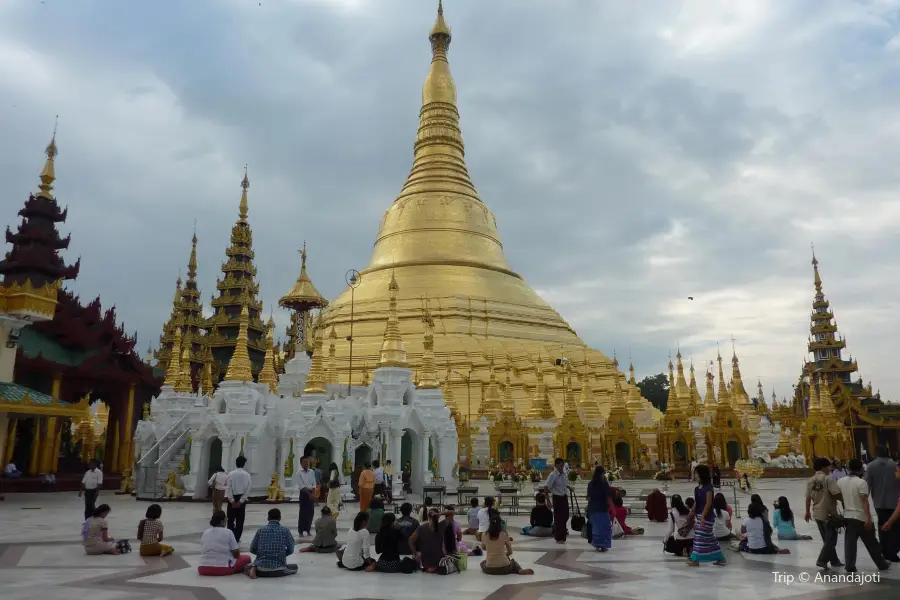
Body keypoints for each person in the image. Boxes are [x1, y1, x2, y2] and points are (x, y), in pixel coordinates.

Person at [837, 458, 891, 573]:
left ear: (848, 468)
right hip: (861, 517)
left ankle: (850, 565)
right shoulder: (861, 483)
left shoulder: (840, 481)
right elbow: (864, 501)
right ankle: (881, 564)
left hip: (848, 516)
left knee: (850, 543)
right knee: (871, 542)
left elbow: (840, 498)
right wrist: (868, 519)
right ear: (861, 469)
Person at [805, 457, 844, 570]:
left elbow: (807, 498)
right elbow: (836, 493)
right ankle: (821, 560)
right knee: (832, 540)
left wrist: (807, 512)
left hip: (817, 513)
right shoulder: (828, 479)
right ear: (824, 467)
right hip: (829, 514)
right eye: (829, 466)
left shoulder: (811, 480)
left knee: (826, 540)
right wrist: (844, 500)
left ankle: (834, 560)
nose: (830, 468)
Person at [864, 445, 900, 563]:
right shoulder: (895, 466)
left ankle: (884, 551)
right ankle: (893, 552)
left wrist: (865, 500)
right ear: (888, 452)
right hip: (895, 502)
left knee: (882, 526)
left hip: (878, 502)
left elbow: (866, 486)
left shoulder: (870, 466)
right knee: (896, 528)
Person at [687, 464, 726, 567]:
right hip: (699, 515)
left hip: (707, 517)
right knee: (709, 538)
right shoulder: (697, 488)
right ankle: (720, 558)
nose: (695, 475)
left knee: (699, 538)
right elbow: (697, 502)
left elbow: (708, 503)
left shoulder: (709, 488)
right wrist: (691, 512)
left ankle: (695, 560)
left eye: (696, 473)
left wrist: (703, 516)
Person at [198, 509, 252, 576]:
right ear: (222, 521)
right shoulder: (228, 532)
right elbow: (236, 554)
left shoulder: (205, 532)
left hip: (203, 568)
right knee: (247, 558)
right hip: (222, 568)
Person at [247, 508, 297, 578]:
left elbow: (252, 549)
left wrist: (262, 553)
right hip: (279, 569)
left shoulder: (260, 530)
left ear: (268, 518)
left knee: (247, 565)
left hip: (261, 569)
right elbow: (291, 549)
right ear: (280, 518)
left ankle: (253, 568)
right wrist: (281, 554)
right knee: (295, 567)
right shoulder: (285, 530)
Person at [409, 507, 455, 574]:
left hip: (425, 564)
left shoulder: (421, 528)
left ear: (428, 516)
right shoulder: (442, 525)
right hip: (440, 563)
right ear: (438, 517)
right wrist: (440, 513)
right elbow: (452, 512)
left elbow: (410, 540)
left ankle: (430, 569)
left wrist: (415, 554)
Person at [586, 466, 613, 552]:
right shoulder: (604, 483)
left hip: (593, 509)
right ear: (602, 474)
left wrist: (588, 508)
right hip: (602, 509)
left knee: (596, 528)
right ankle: (604, 545)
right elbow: (608, 498)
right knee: (605, 528)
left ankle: (597, 544)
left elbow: (589, 498)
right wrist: (613, 508)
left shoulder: (590, 484)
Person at [225, 456, 251, 543]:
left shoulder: (231, 474)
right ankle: (237, 537)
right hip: (241, 498)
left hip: (232, 497)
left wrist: (231, 500)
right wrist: (241, 501)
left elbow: (228, 487)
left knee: (230, 519)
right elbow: (248, 489)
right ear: (244, 464)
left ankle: (231, 537)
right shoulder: (247, 475)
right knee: (240, 520)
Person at [545, 457, 571, 544]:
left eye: (562, 465)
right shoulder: (552, 475)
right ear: (556, 465)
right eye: (560, 466)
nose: (561, 467)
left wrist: (568, 487)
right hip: (557, 498)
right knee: (558, 518)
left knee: (566, 516)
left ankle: (563, 534)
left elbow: (563, 484)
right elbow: (546, 487)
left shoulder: (564, 474)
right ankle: (559, 537)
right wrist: (547, 500)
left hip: (564, 497)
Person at [294, 455, 317, 537]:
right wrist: (309, 495)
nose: (306, 463)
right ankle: (300, 531)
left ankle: (308, 530)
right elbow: (301, 486)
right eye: (304, 462)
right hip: (304, 493)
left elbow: (314, 483)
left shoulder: (312, 472)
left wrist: (313, 493)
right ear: (301, 463)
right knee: (303, 513)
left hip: (311, 492)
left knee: (311, 512)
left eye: (307, 462)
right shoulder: (299, 473)